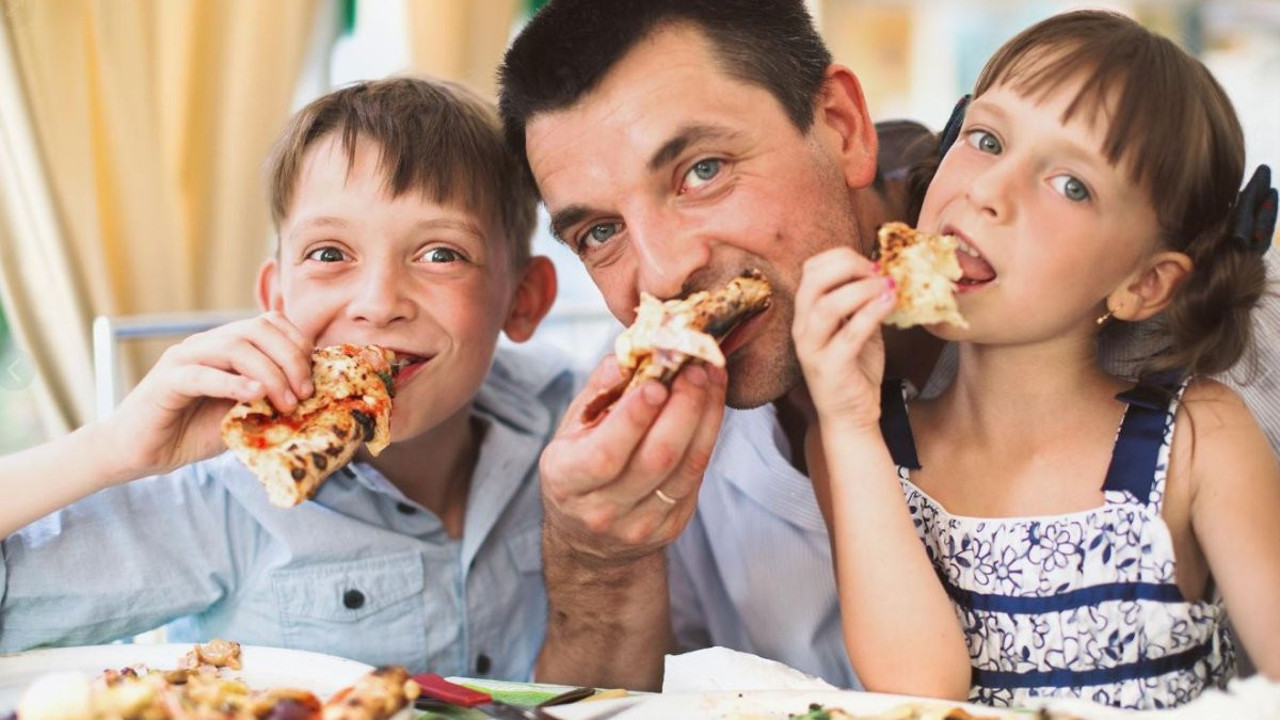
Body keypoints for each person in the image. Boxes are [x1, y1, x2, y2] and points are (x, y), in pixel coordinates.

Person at [498, 0, 1280, 691]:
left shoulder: (1220, 392)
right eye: (598, 232)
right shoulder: (650, 444)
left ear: (842, 127)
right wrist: (596, 562)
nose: (663, 273)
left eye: (703, 170)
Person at [0, 77, 569, 680]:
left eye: (440, 254)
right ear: (277, 298)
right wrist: (111, 448)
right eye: (329, 254)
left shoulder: (568, 423)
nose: (378, 304)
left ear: (523, 299)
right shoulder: (220, 492)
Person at [794, 10, 1279, 710]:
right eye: (986, 140)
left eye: (1071, 184)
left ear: (1144, 284)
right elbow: (922, 691)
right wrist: (845, 423)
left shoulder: (1200, 440)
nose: (989, 191)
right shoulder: (860, 445)